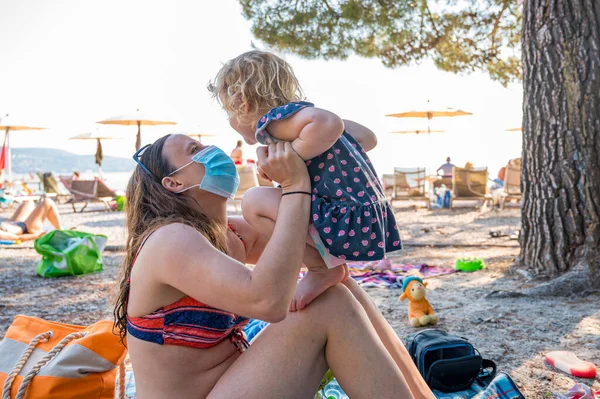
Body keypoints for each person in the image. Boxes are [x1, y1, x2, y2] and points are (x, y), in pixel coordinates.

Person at [114, 134, 434, 399]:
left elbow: (321, 256)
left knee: (336, 289)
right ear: (173, 183)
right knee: (330, 306)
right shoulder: (170, 240)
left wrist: (285, 180)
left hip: (232, 385)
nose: (211, 150)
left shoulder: (226, 233)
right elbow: (266, 301)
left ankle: (420, 396)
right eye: (195, 150)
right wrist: (295, 185)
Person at [209, 50, 401, 311]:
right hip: (367, 218)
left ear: (243, 105)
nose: (230, 121)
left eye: (228, 112)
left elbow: (330, 122)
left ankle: (320, 268)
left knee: (253, 201)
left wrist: (293, 160)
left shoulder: (273, 124)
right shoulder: (300, 121)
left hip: (345, 221)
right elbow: (368, 137)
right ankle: (325, 267)